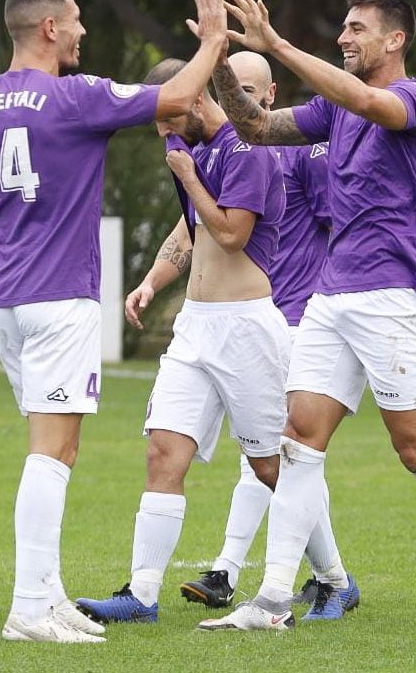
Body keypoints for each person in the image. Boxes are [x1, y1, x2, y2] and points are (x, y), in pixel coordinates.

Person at [0, 0, 228, 644]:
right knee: (51, 456)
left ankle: (48, 596)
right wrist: (217, 40)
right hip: (60, 299)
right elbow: (177, 95)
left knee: (56, 448)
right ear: (49, 28)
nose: (83, 29)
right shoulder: (76, 96)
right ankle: (28, 607)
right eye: (76, 19)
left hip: (8, 301)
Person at [200, 0, 416, 633]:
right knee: (299, 441)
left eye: (356, 29)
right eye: (342, 29)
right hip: (332, 293)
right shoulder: (332, 108)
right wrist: (217, 60)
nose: (344, 38)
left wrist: (279, 46)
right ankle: (269, 602)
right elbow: (257, 129)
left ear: (395, 40)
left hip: (391, 295)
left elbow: (370, 102)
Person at [73, 55, 287, 627]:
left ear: (196, 100)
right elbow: (191, 228)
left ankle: (332, 578)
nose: (163, 132)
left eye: (168, 118)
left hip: (246, 326)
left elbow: (231, 233)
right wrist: (151, 281)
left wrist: (188, 173)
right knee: (163, 451)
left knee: (273, 467)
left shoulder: (247, 149)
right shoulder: (192, 148)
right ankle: (141, 595)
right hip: (194, 326)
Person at [178, 51, 359, 622]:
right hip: (247, 314)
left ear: (272, 93)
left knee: (278, 452)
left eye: (250, 90)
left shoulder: (302, 152)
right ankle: (245, 573)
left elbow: (342, 226)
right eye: (230, 88)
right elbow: (195, 228)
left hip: (298, 315)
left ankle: (236, 573)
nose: (241, 100)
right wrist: (153, 279)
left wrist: (328, 310)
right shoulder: (226, 152)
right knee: (269, 454)